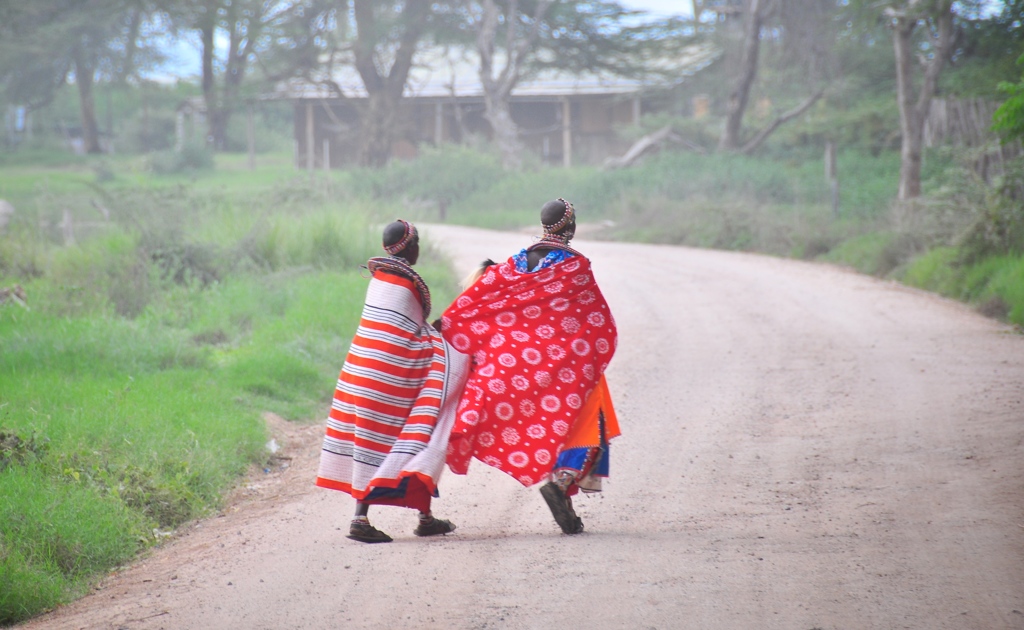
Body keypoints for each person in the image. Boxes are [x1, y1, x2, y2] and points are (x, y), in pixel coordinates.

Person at [440, 199, 621, 535]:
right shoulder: (575, 266)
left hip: (521, 364)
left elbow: (481, 299)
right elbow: (596, 318)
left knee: (552, 420)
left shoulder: (515, 263)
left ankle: (565, 499)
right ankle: (563, 481)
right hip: (567, 364)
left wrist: (449, 322)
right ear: (570, 227)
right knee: (589, 417)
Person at [315, 219, 470, 543]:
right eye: (418, 244)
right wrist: (454, 347)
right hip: (387, 379)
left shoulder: (380, 279)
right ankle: (362, 521)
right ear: (409, 247)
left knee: (394, 438)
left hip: (360, 371)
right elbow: (412, 338)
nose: (419, 249)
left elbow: (400, 330)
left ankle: (422, 517)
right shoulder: (407, 283)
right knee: (425, 422)